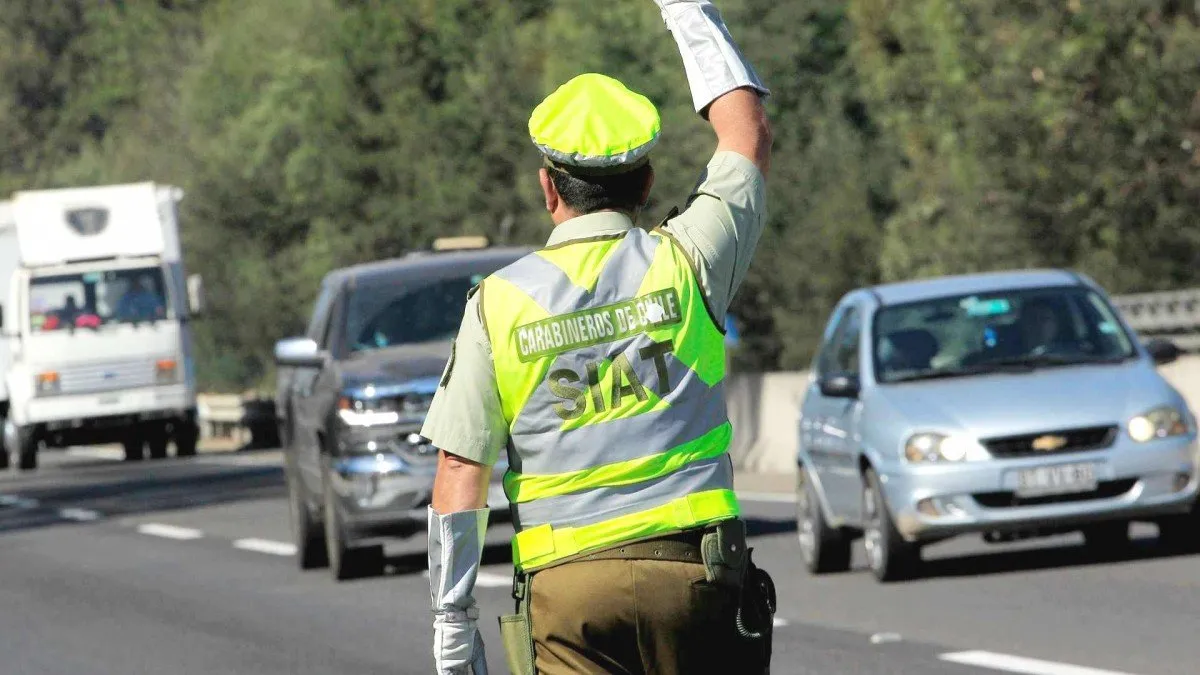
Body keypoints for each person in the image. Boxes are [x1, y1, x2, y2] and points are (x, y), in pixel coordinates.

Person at [422, 1, 774, 673]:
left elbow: (460, 471)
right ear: (645, 183)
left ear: (547, 188)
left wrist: (452, 622)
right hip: (693, 577)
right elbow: (746, 133)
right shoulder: (691, 261)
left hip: (568, 592)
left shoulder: (497, 306)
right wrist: (687, 10)